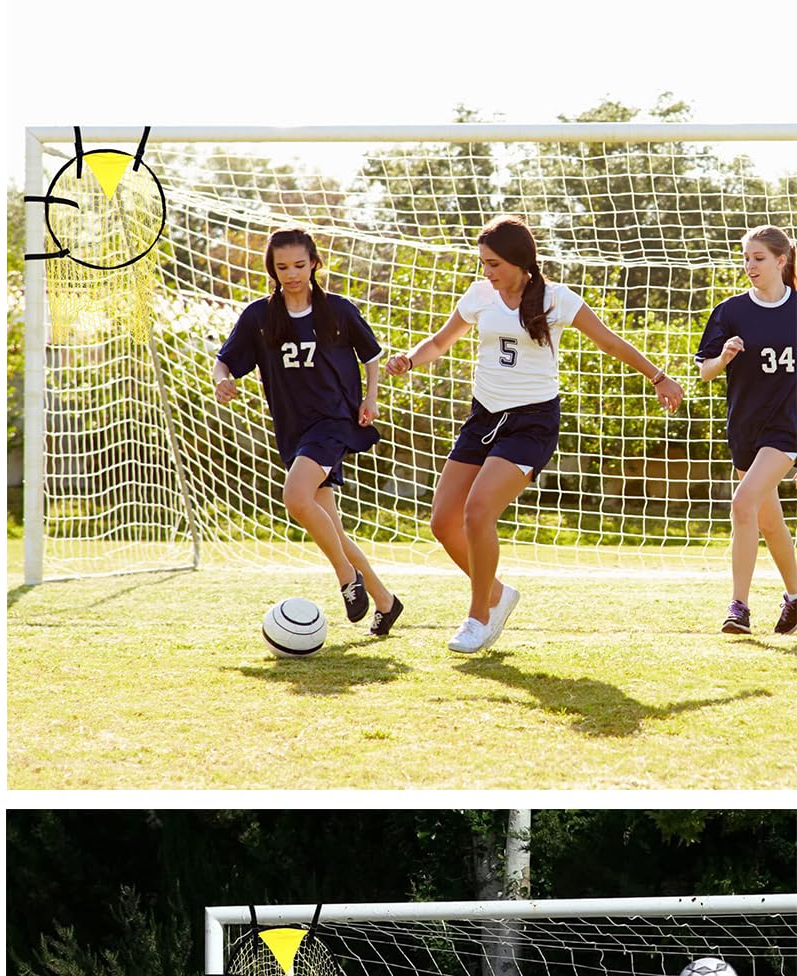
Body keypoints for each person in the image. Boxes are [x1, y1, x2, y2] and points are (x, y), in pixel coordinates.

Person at [385, 215, 685, 653]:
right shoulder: (480, 295)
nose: (487, 272)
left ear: (520, 261)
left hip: (531, 422)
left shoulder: (556, 299)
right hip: (483, 418)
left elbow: (610, 341)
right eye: (483, 263)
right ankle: (497, 594)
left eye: (494, 263)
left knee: (477, 513)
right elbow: (439, 342)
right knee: (443, 522)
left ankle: (478, 617)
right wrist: (409, 359)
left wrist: (659, 377)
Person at [215, 229, 404, 637]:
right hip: (293, 430)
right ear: (272, 269)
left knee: (295, 497)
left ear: (315, 263)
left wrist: (370, 399)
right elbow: (225, 361)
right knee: (331, 526)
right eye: (282, 267)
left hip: (334, 421)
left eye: (299, 265)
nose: (291, 273)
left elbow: (371, 355)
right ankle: (386, 603)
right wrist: (222, 381)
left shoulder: (336, 310)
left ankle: (346, 579)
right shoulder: (260, 316)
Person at [695, 225, 797, 635]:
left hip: (787, 429)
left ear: (780, 260)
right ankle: (795, 597)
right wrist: (723, 357)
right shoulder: (731, 311)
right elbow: (705, 372)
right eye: (746, 258)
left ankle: (738, 607)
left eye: (758, 258)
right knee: (769, 522)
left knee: (742, 503)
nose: (750, 266)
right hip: (745, 429)